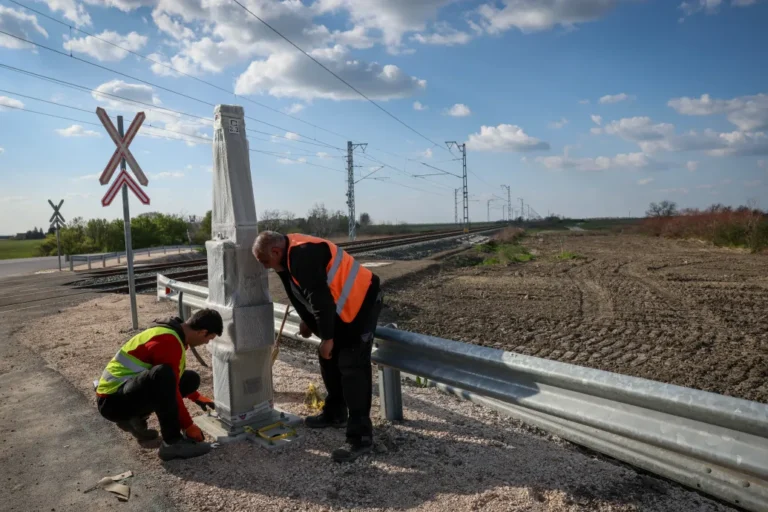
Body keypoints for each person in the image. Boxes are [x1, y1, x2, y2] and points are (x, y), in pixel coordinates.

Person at [253, 231, 383, 463]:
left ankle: (360, 437)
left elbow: (320, 297)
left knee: (352, 364)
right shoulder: (287, 256)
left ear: (275, 251)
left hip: (363, 301)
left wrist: (327, 338)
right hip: (342, 307)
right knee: (329, 358)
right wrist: (308, 320)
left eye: (265, 262)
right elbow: (304, 293)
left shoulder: (303, 254)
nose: (265, 267)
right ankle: (335, 413)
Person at [95, 309, 223, 461]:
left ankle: (134, 419)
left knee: (190, 379)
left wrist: (196, 396)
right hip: (112, 402)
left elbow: (173, 382)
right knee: (163, 373)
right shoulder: (169, 341)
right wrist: (188, 425)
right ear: (203, 332)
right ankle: (172, 443)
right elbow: (168, 384)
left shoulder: (172, 331)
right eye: (210, 338)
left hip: (123, 393)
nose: (207, 343)